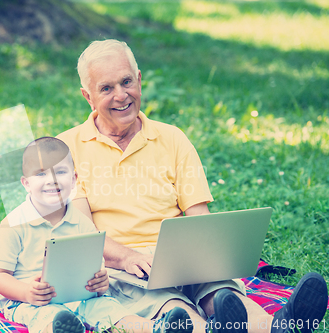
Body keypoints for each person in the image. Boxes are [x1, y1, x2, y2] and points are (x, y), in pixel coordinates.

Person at [56, 39, 328, 333]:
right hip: (123, 267)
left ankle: (280, 326)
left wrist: (208, 256)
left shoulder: (172, 138)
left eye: (126, 82)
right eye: (106, 88)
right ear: (88, 96)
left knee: (224, 293)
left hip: (181, 256)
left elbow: (198, 215)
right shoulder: (66, 149)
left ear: (140, 81)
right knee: (174, 310)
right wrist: (130, 257)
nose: (121, 95)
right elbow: (81, 235)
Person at [0, 137, 195, 333]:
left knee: (109, 309)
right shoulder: (14, 224)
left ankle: (157, 328)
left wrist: (100, 282)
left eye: (60, 172)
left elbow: (95, 265)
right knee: (49, 315)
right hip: (28, 301)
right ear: (26, 183)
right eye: (41, 174)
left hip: (79, 296)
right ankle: (62, 329)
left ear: (74, 178)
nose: (51, 180)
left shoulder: (81, 221)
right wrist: (26, 292)